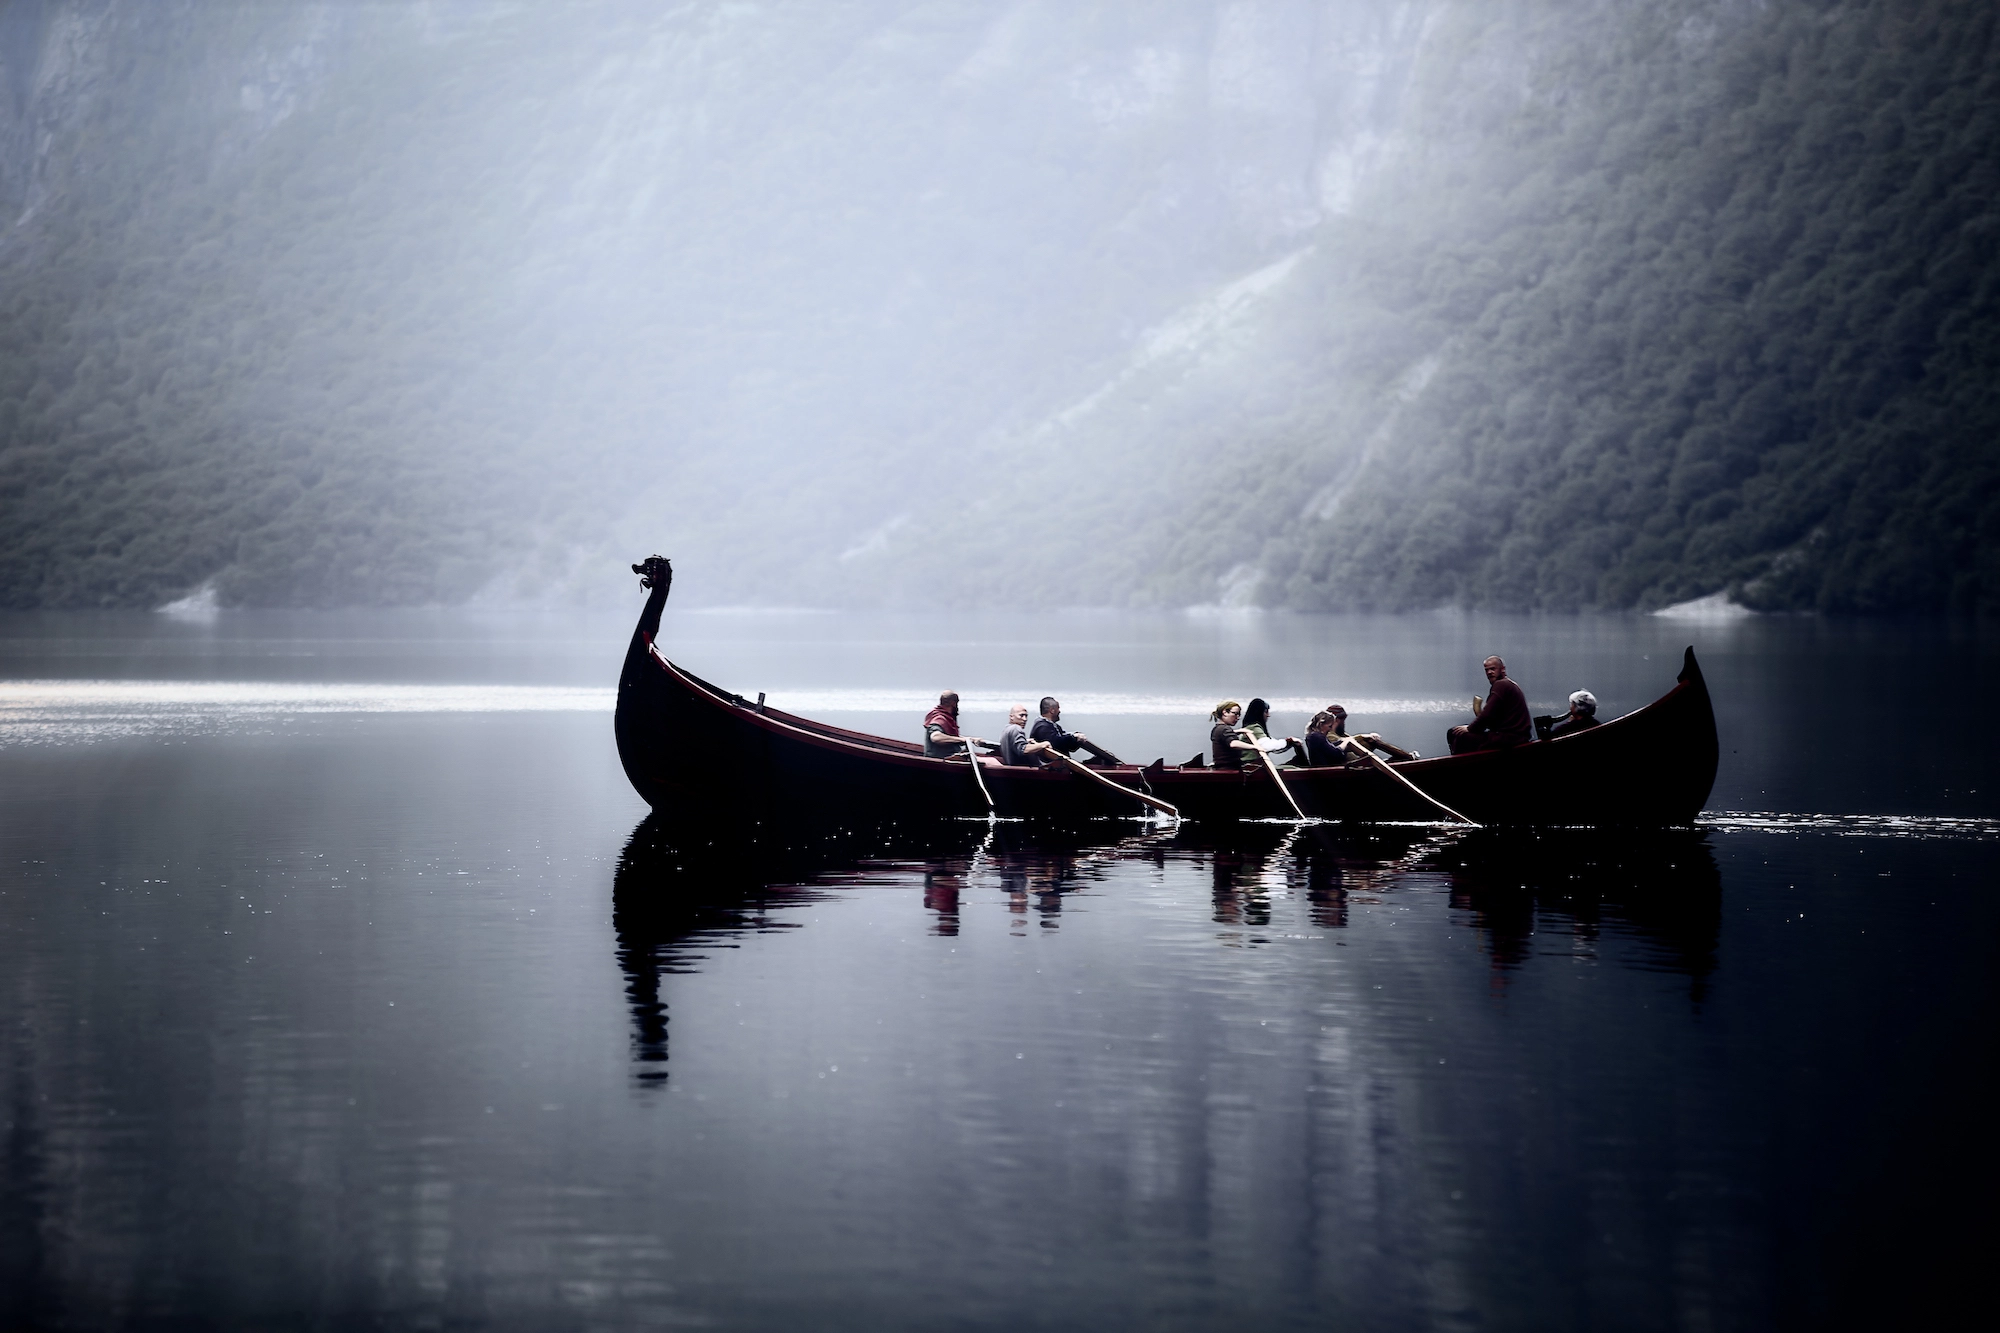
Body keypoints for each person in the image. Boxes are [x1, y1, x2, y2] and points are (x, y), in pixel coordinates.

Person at [1448, 656, 1532, 755]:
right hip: (1515, 736)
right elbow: (1491, 719)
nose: (1489, 672)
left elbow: (1486, 715)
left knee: (1458, 735)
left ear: (1502, 669)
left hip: (1510, 738)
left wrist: (1469, 728)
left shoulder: (1501, 685)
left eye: (1493, 669)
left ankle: (1458, 766)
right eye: (1486, 670)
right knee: (1456, 733)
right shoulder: (1509, 685)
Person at [1031, 697, 1122, 766]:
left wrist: (1076, 738)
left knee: (1096, 762)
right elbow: (1056, 742)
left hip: (1060, 766)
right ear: (1052, 710)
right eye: (1058, 708)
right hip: (1050, 768)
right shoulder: (1042, 727)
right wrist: (1074, 738)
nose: (1060, 711)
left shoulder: (1052, 726)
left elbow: (1068, 744)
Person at [1321, 704, 1417, 764]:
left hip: (1358, 763)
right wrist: (1363, 737)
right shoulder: (1328, 735)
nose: (1344, 723)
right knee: (1372, 743)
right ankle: (1408, 759)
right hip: (1351, 766)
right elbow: (1345, 743)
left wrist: (1371, 740)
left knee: (1374, 742)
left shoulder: (1341, 734)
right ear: (1336, 720)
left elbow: (1355, 743)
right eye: (1343, 721)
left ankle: (1407, 757)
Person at [922, 691, 986, 758]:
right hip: (942, 760)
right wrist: (964, 740)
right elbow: (936, 737)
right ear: (953, 703)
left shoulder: (946, 717)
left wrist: (971, 739)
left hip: (951, 756)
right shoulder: (939, 719)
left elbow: (950, 736)